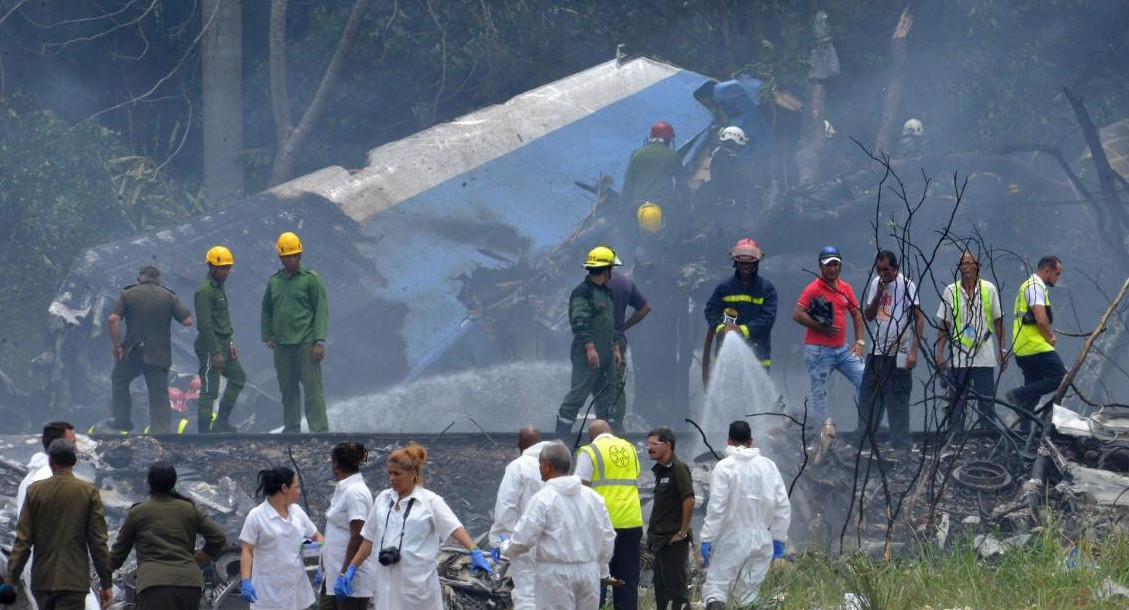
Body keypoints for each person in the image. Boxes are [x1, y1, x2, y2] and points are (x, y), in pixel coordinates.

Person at [341, 443, 492, 610]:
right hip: (386, 584)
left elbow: (454, 527)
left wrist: (474, 549)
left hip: (417, 588)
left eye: (397, 473)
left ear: (413, 474)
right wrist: (352, 567)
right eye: (390, 473)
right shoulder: (383, 499)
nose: (392, 478)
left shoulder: (430, 502)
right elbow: (369, 538)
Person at [501, 441, 616, 610]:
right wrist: (599, 564)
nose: (538, 467)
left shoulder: (544, 499)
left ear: (547, 466)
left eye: (540, 463)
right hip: (589, 572)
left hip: (555, 575)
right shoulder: (593, 498)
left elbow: (523, 540)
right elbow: (608, 537)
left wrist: (505, 548)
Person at [8, 439, 113, 610]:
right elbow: (98, 542)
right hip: (74, 581)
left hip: (42, 582)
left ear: (51, 461)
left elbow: (23, 541)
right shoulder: (87, 492)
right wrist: (106, 583)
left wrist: (11, 579)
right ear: (75, 461)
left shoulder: (35, 491)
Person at [110, 462, 227, 610]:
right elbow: (219, 537)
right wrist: (195, 560)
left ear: (148, 483)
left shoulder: (138, 512)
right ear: (174, 482)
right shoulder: (189, 509)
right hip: (189, 584)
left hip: (154, 585)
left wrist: (106, 580)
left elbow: (118, 553)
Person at [699, 421, 790, 609]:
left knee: (716, 588)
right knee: (749, 594)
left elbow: (717, 507)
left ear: (728, 441)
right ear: (751, 440)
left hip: (731, 537)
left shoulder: (724, 467)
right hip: (762, 540)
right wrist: (778, 539)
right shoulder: (768, 466)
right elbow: (782, 505)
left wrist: (707, 538)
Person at [107, 265, 194, 433]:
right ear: (159, 279)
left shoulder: (128, 294)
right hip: (159, 354)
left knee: (119, 378)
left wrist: (116, 345)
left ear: (139, 277)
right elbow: (187, 321)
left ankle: (123, 420)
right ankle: (161, 432)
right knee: (159, 393)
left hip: (133, 352)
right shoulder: (169, 296)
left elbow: (112, 319)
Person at [261, 231, 330, 433]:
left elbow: (321, 310)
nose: (291, 259)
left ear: (300, 255)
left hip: (306, 342)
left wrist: (319, 341)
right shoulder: (274, 282)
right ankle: (292, 427)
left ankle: (319, 429)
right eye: (287, 256)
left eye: (295, 255)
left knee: (312, 388)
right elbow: (266, 309)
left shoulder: (311, 280)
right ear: (280, 258)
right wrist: (267, 335)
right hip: (282, 345)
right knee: (287, 388)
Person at [792, 246, 865, 434]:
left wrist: (859, 341)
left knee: (865, 380)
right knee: (820, 393)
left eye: (836, 264)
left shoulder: (845, 287)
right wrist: (821, 327)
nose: (832, 269)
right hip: (818, 349)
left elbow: (857, 314)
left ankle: (866, 427)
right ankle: (821, 432)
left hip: (842, 348)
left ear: (840, 265)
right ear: (820, 266)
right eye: (828, 265)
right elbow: (797, 314)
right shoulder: (813, 289)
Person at [935, 251, 1006, 434]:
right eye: (962, 264)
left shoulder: (988, 289)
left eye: (968, 263)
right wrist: (939, 353)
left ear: (977, 265)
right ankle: (955, 438)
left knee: (986, 402)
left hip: (984, 355)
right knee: (957, 401)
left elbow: (998, 321)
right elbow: (944, 323)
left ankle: (988, 438)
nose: (965, 267)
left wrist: (1002, 350)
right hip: (960, 356)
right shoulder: (951, 291)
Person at [555, 246, 623, 438]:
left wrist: (616, 347)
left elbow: (611, 323)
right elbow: (579, 322)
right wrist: (590, 347)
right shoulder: (582, 292)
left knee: (606, 398)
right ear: (605, 270)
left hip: (607, 353)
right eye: (611, 268)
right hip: (588, 355)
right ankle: (561, 440)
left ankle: (604, 439)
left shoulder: (606, 292)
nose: (613, 273)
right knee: (577, 396)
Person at [859, 251, 923, 451]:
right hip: (877, 350)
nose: (882, 273)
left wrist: (914, 350)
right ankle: (865, 443)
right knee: (868, 396)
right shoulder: (876, 283)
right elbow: (868, 316)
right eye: (879, 269)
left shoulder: (907, 285)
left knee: (897, 399)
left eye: (886, 269)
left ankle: (901, 446)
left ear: (895, 268)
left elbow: (918, 318)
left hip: (899, 351)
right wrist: (878, 293)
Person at [575, 419, 643, 610]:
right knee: (628, 579)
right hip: (632, 521)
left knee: (598, 577)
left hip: (602, 525)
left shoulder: (589, 451)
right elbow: (634, 475)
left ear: (591, 436)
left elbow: (581, 488)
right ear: (611, 432)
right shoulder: (629, 448)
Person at [238, 466, 322, 609]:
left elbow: (317, 536)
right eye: (296, 487)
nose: (299, 492)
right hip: (269, 593)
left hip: (297, 589)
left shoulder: (297, 511)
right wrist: (246, 580)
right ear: (284, 488)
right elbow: (247, 550)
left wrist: (321, 563)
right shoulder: (257, 516)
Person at [489, 427, 551, 610]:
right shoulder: (557, 463)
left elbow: (506, 506)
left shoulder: (518, 466)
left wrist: (499, 541)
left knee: (527, 593)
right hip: (556, 542)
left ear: (520, 445)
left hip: (526, 544)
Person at [703, 238, 777, 384]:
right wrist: (721, 328)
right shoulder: (724, 287)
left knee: (757, 399)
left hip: (757, 353)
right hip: (727, 354)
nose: (745, 267)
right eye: (742, 263)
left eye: (749, 263)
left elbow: (767, 318)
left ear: (756, 263)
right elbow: (711, 311)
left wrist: (742, 330)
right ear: (735, 262)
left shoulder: (767, 289)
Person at [1006, 256, 1066, 431]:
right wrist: (1050, 337)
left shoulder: (1031, 286)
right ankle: (1016, 394)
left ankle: (1024, 432)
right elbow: (1040, 319)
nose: (1058, 278)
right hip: (1034, 346)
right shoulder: (1035, 287)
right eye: (1057, 274)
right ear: (1047, 271)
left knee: (1032, 395)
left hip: (1023, 348)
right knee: (1060, 378)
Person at [194, 246, 246, 433]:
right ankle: (204, 432)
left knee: (238, 378)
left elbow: (223, 319)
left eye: (228, 268)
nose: (226, 272)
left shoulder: (219, 287)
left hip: (224, 341)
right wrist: (215, 352)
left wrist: (230, 342)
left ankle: (221, 422)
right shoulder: (205, 291)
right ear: (211, 267)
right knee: (210, 388)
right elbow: (205, 325)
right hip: (210, 344)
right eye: (222, 268)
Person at [320, 442, 375, 610]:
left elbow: (359, 535)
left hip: (350, 580)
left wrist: (345, 572)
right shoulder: (345, 488)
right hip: (333, 574)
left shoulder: (354, 492)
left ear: (335, 463)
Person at [645, 427, 694, 610]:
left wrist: (682, 532)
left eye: (654, 444)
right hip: (660, 542)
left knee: (677, 592)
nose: (649, 448)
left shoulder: (678, 469)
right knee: (662, 592)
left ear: (667, 445)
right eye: (648, 444)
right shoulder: (660, 471)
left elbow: (689, 499)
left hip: (673, 542)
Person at [608, 268, 652, 429]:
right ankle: (615, 425)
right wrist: (624, 326)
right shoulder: (625, 283)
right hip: (620, 337)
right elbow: (646, 308)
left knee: (598, 382)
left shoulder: (598, 285)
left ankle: (603, 425)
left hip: (603, 339)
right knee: (617, 383)